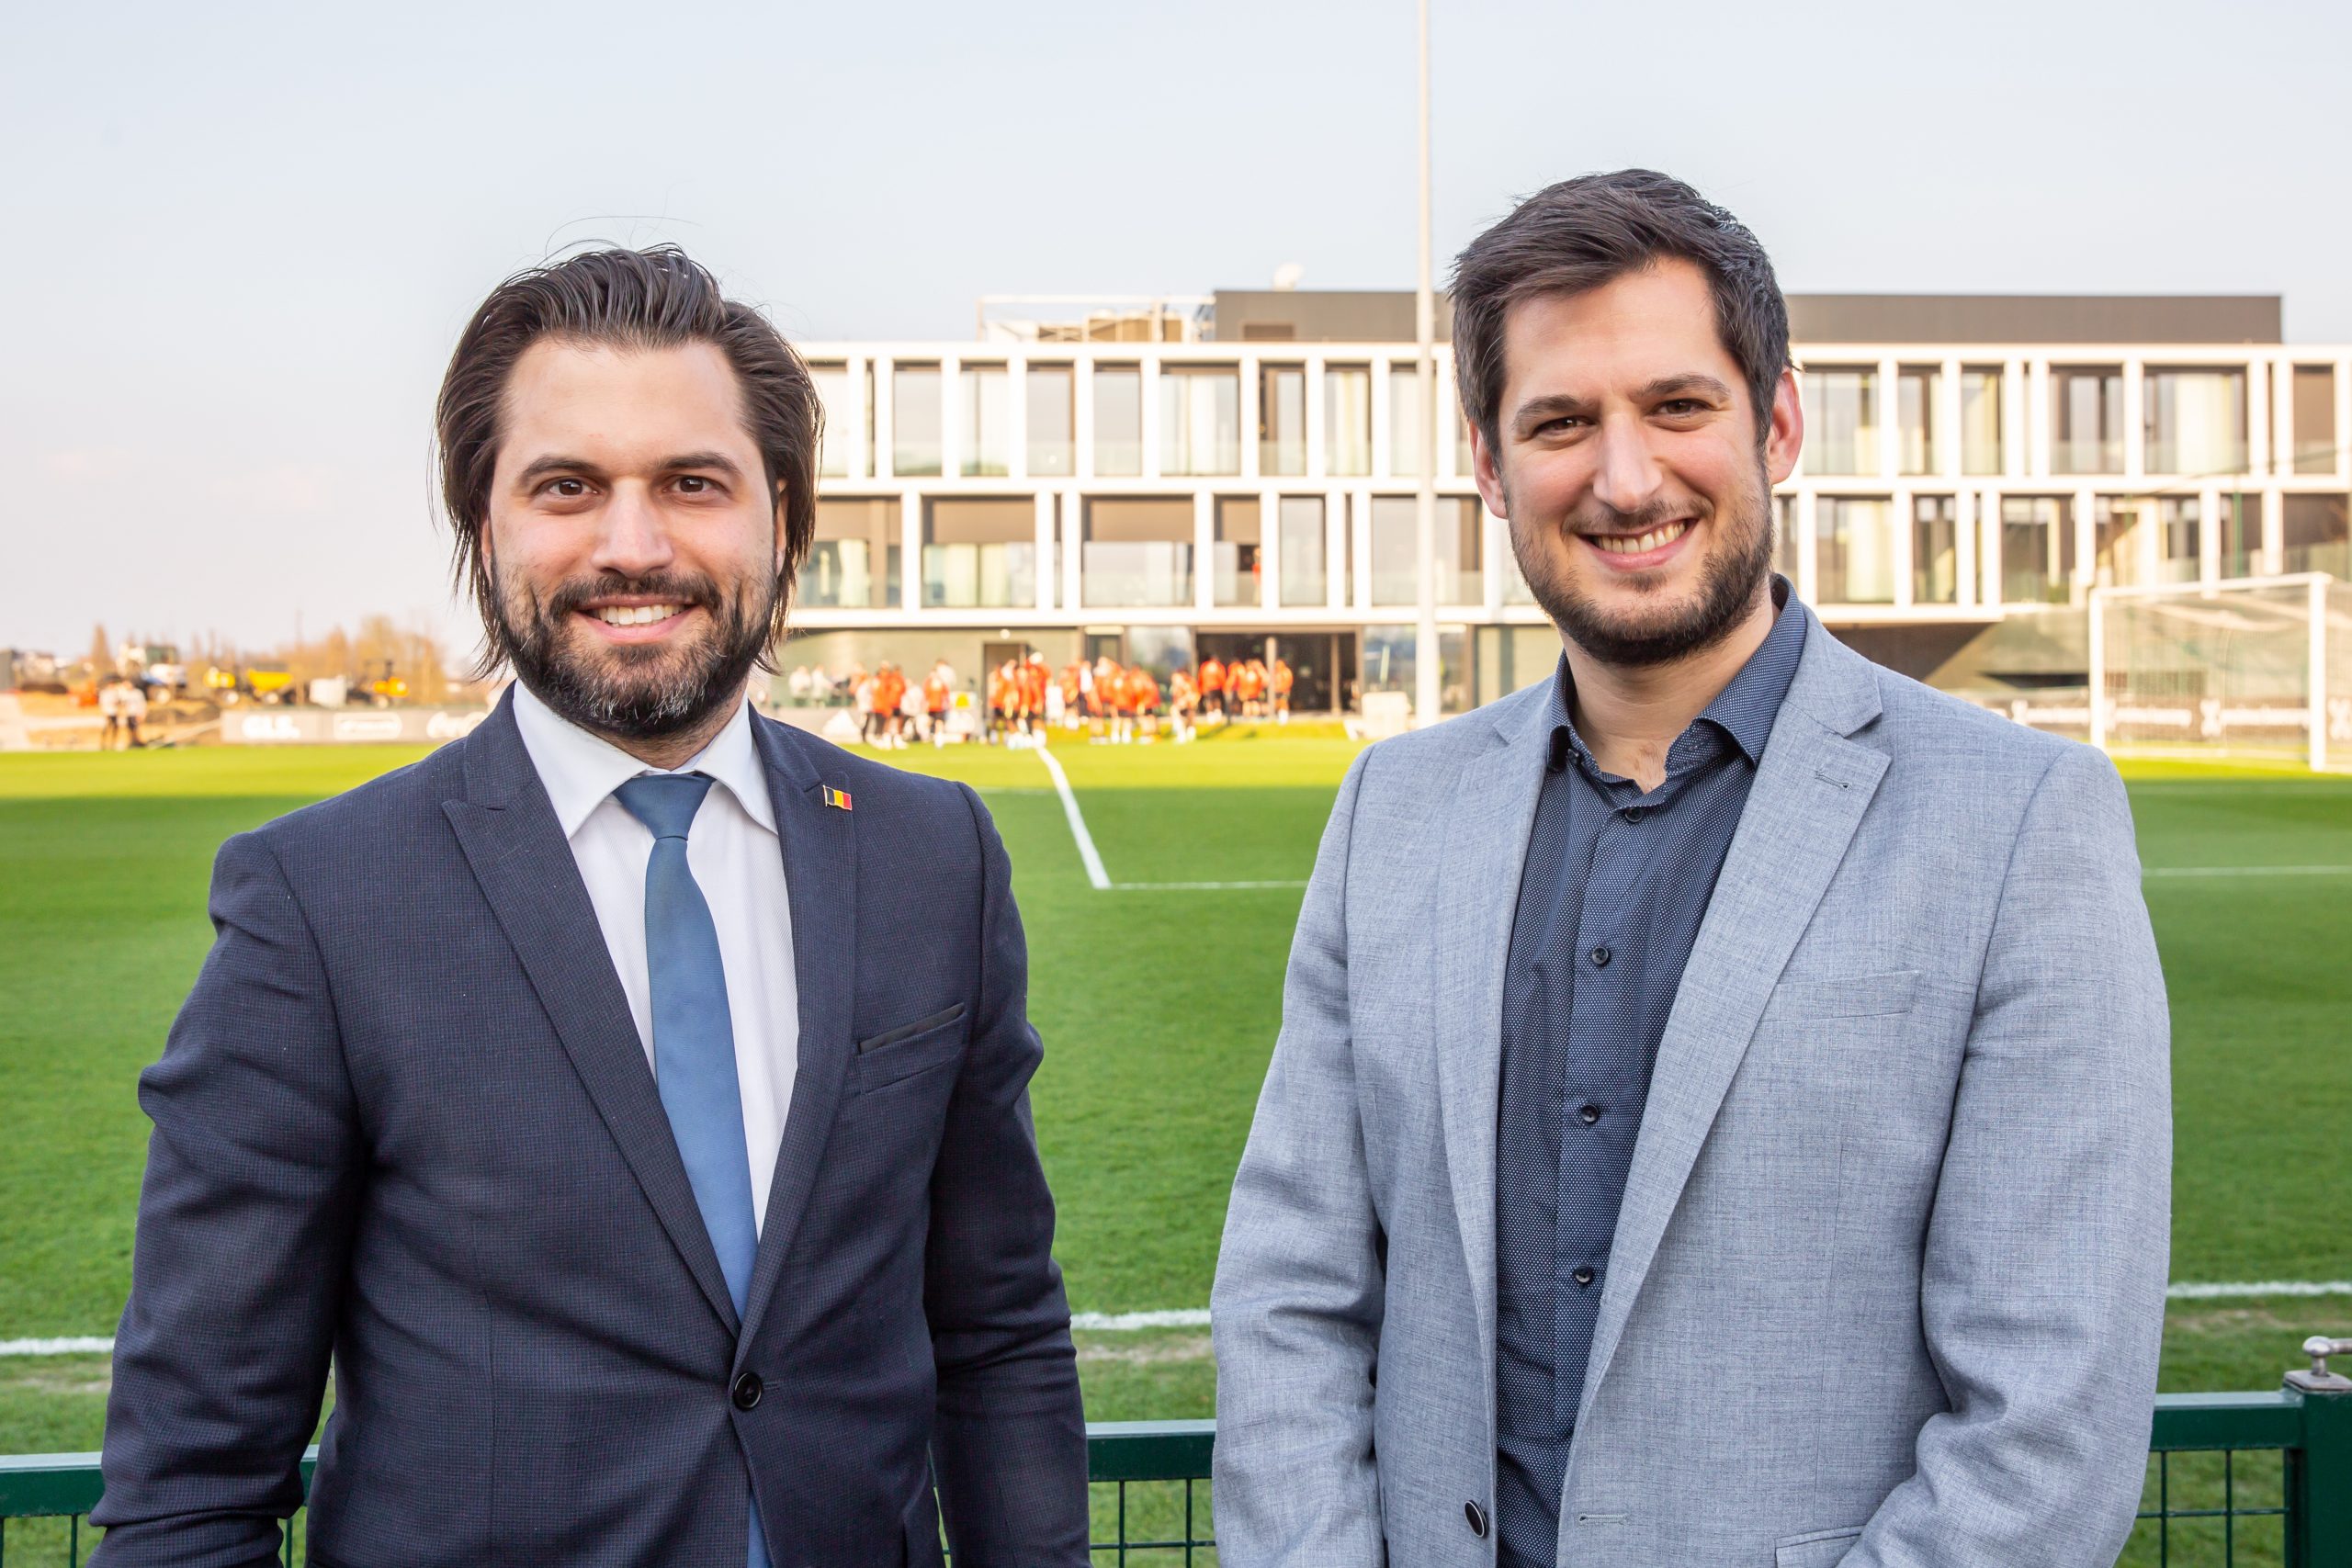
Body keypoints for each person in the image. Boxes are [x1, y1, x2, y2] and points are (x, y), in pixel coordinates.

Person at [1211, 172, 2168, 1568]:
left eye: (1676, 404)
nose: (1625, 476)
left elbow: (2047, 1430)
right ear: (1489, 464)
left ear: (1776, 422)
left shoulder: (2023, 819)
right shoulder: (1392, 811)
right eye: (1559, 422)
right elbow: (1291, 1294)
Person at [94, 247, 1087, 1568]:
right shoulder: (320, 903)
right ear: (481, 521)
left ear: (781, 517)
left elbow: (997, 1330)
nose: (635, 545)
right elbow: (192, 1485)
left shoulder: (930, 855)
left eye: (693, 482)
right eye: (567, 486)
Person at [922, 660, 951, 747]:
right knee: (930, 721)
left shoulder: (941, 683)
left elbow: (946, 694)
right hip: (931, 706)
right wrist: (925, 705)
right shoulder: (928, 683)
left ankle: (938, 738)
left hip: (939, 706)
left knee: (939, 722)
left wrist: (947, 704)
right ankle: (927, 736)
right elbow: (926, 695)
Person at [1197, 652, 1226, 723]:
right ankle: (1216, 714)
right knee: (1216, 700)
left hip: (1209, 687)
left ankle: (1211, 715)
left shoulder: (1205, 666)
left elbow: (1201, 678)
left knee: (1210, 701)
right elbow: (1222, 677)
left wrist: (1201, 687)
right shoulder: (1218, 666)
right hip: (1216, 686)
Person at [1269, 655, 1294, 725]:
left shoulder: (1286, 672)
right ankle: (1277, 718)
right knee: (1277, 704)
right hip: (1276, 691)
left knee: (1283, 704)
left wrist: (1280, 687)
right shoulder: (1275, 672)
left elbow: (1288, 682)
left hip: (1284, 691)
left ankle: (1284, 720)